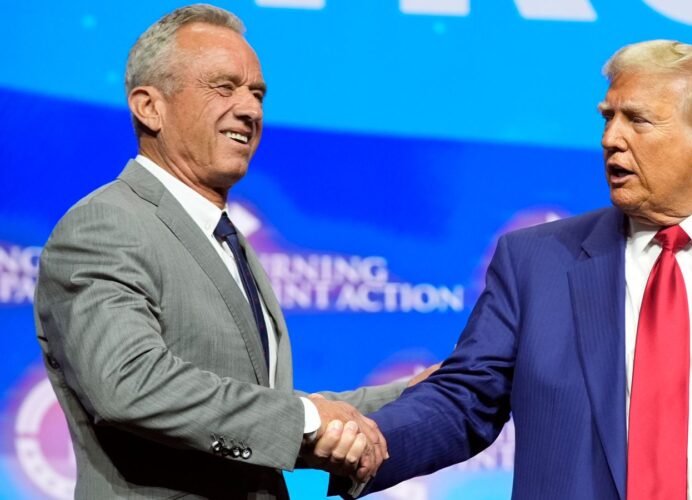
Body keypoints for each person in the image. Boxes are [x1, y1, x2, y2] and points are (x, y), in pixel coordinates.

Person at [342, 40, 692, 499]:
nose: (610, 139)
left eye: (638, 121)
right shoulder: (535, 263)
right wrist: (366, 442)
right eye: (608, 117)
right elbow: (464, 400)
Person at [34, 5, 429, 499]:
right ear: (148, 106)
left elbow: (258, 407)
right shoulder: (105, 225)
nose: (251, 109)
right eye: (223, 87)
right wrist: (307, 422)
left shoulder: (223, 237)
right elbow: (128, 382)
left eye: (257, 93)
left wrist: (409, 397)